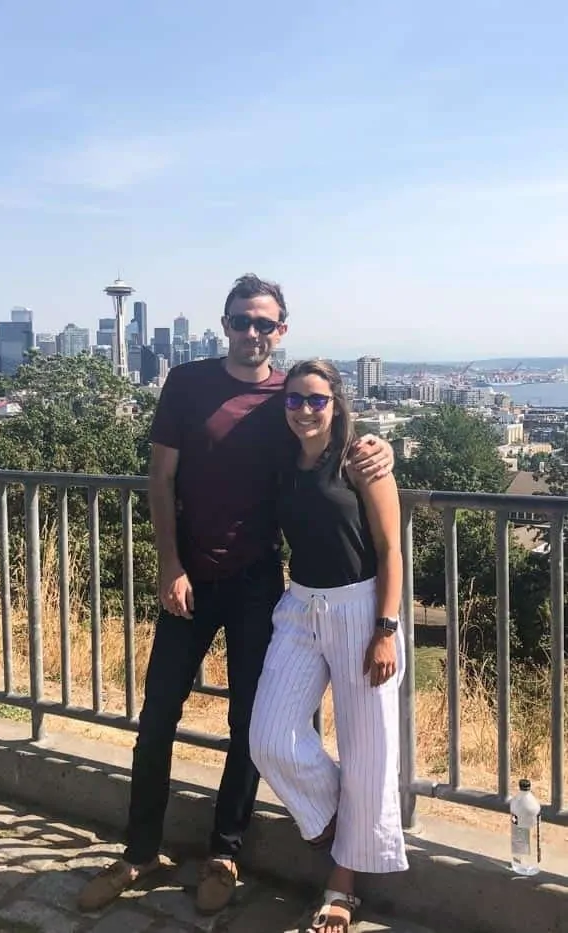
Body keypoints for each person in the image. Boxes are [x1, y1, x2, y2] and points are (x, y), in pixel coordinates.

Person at [78, 275, 395, 915]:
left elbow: (332, 440)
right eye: (241, 321)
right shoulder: (188, 384)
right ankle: (139, 853)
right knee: (157, 717)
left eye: (265, 323)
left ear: (282, 330)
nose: (253, 333)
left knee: (248, 725)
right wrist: (169, 565)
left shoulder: (293, 396)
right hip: (188, 580)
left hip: (260, 586)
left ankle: (225, 851)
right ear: (224, 324)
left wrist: (379, 448)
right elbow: (160, 478)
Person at [249, 358, 408, 933]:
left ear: (337, 402)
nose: (305, 410)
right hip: (300, 607)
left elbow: (391, 551)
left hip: (361, 609)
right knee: (268, 736)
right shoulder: (284, 462)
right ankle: (338, 823)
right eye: (294, 400)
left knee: (369, 752)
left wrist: (385, 628)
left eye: (316, 399)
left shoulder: (362, 461)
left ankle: (341, 886)